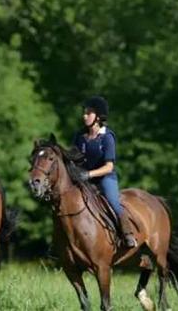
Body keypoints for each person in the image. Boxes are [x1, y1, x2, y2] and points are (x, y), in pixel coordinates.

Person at [72, 96, 136, 247]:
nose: (84, 116)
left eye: (89, 113)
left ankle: (128, 234)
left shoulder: (107, 137)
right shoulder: (79, 137)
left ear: (99, 116)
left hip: (105, 179)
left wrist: (88, 174)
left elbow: (109, 167)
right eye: (84, 112)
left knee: (113, 202)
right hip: (83, 178)